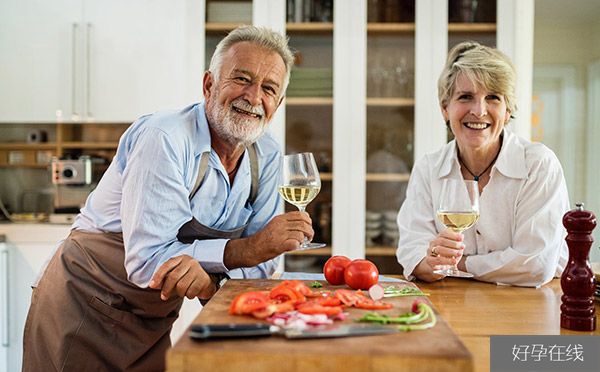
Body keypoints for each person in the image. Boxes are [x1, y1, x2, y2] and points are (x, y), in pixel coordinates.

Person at [22, 26, 311, 371]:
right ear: (209, 85)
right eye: (241, 79)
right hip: (84, 305)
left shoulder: (266, 153)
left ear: (277, 104)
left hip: (153, 316)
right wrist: (245, 251)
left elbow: (261, 264)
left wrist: (212, 283)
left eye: (268, 88)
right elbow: (148, 259)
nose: (252, 97)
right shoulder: (165, 138)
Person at [396, 41, 569, 288]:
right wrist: (431, 262)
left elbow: (535, 264)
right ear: (445, 108)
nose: (479, 111)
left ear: (507, 111)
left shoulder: (538, 165)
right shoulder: (428, 168)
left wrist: (456, 264)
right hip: (452, 304)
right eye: (465, 97)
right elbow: (412, 253)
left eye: (493, 98)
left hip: (532, 305)